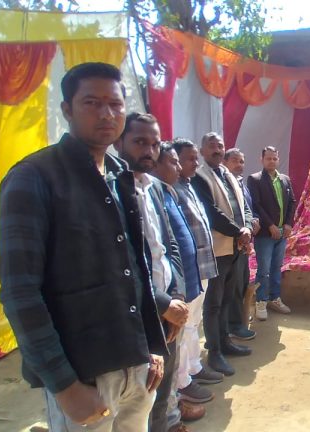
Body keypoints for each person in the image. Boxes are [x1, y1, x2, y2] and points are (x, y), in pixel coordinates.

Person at [0, 62, 167, 432]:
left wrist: (152, 344)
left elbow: (134, 268)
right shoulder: (33, 178)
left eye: (115, 104)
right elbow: (19, 292)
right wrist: (64, 385)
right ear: (67, 110)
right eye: (92, 102)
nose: (107, 113)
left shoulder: (121, 176)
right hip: (84, 379)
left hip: (137, 368)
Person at [114, 113, 192, 432]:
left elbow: (169, 247)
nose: (149, 150)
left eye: (155, 143)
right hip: (136, 313)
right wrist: (161, 305)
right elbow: (123, 262)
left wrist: (177, 300)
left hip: (167, 312)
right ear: (119, 142)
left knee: (161, 395)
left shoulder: (156, 188)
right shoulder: (111, 189)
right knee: (135, 402)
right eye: (140, 142)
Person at [152, 143, 214, 424]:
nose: (180, 167)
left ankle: (180, 392)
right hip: (167, 289)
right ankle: (178, 394)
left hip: (187, 274)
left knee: (189, 329)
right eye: (174, 162)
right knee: (178, 335)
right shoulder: (154, 194)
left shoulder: (174, 191)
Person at [192, 132, 253, 377]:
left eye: (220, 146)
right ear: (202, 149)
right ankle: (214, 351)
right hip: (218, 249)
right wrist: (240, 231)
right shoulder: (199, 176)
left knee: (229, 298)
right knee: (214, 303)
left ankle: (225, 341)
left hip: (236, 246)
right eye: (212, 146)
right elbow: (212, 212)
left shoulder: (227, 174)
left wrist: (247, 226)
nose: (217, 150)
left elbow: (244, 207)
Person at [171, 139, 225, 388]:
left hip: (202, 264)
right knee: (185, 325)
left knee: (194, 322)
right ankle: (183, 381)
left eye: (195, 158)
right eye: (189, 159)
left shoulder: (188, 186)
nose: (195, 163)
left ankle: (194, 367)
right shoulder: (172, 190)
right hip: (188, 270)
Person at [248, 146, 297, 321]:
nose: (272, 161)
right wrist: (270, 226)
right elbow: (256, 205)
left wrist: (289, 224)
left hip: (282, 233)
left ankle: (275, 298)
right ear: (262, 159)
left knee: (277, 267)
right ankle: (261, 301)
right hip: (265, 235)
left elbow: (292, 202)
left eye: (274, 158)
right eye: (268, 158)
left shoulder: (285, 179)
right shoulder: (255, 179)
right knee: (263, 270)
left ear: (278, 159)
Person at [222, 148, 260, 341]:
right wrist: (241, 231)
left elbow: (246, 209)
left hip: (244, 243)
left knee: (242, 283)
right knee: (234, 286)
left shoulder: (240, 183)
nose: (240, 165)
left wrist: (251, 221)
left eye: (242, 161)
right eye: (235, 161)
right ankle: (233, 326)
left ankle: (239, 320)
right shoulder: (223, 184)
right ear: (225, 161)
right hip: (231, 243)